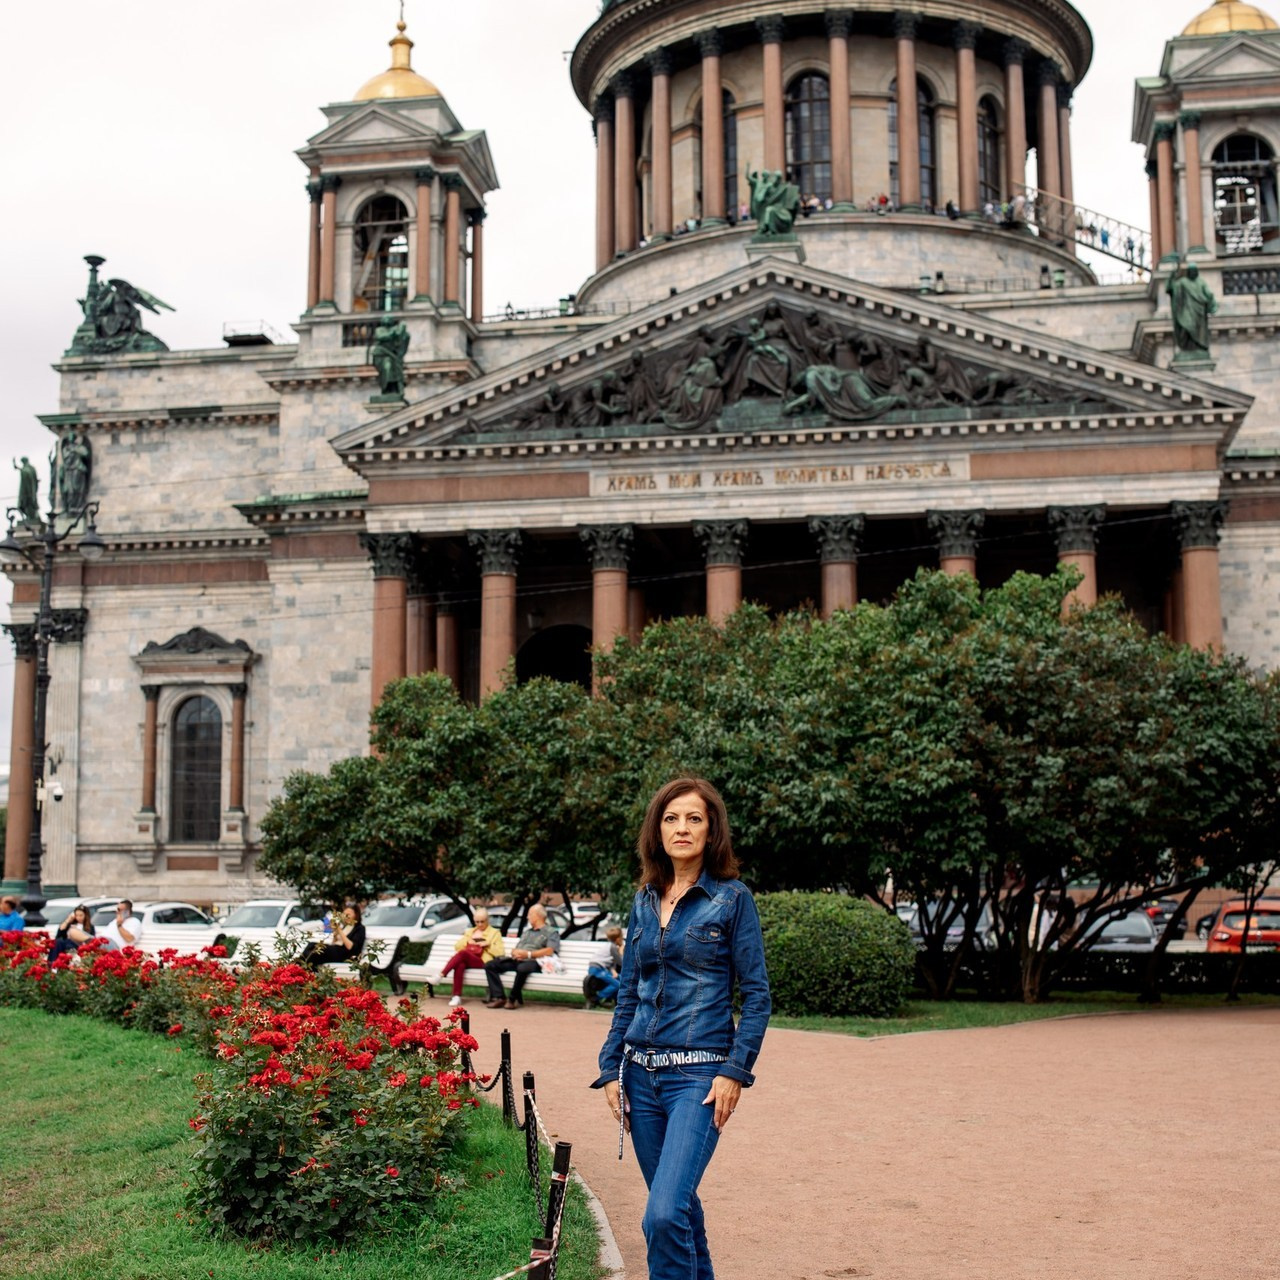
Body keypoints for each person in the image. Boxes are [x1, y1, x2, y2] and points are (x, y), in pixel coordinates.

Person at [593, 777, 771, 1280]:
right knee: (681, 1211)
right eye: (671, 818)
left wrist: (735, 1071)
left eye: (694, 818)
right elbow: (629, 991)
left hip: (700, 1080)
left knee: (664, 1213)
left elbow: (756, 997)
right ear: (657, 830)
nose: (682, 828)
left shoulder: (732, 899)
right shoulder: (645, 900)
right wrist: (610, 1069)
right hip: (640, 1080)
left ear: (711, 830)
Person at [483, 903, 559, 1009]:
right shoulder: (527, 932)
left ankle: (512, 999)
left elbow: (550, 950)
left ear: (537, 916)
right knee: (490, 965)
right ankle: (499, 997)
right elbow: (517, 947)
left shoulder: (551, 932)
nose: (527, 917)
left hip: (535, 962)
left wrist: (528, 954)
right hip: (518, 960)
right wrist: (515, 953)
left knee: (522, 968)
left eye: (530, 914)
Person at [435, 908, 504, 1007]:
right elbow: (457, 947)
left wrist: (487, 945)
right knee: (460, 964)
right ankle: (456, 997)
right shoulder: (470, 932)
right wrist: (468, 942)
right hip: (469, 959)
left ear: (487, 920)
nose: (479, 924)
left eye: (482, 922)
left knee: (463, 954)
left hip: (484, 961)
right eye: (477, 922)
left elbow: (500, 952)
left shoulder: (495, 933)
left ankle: (441, 975)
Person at [299, 904, 365, 970]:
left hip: (344, 954)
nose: (346, 916)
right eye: (344, 914)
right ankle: (297, 965)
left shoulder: (359, 928)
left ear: (356, 915)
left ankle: (303, 970)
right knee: (312, 945)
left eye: (348, 914)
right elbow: (334, 943)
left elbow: (350, 947)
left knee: (316, 954)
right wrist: (335, 932)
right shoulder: (345, 926)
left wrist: (339, 930)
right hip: (335, 949)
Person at [584, 924, 624, 1009]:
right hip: (597, 969)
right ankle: (595, 999)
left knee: (619, 979)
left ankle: (614, 1002)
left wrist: (613, 971)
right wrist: (621, 952)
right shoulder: (613, 947)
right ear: (617, 939)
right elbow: (621, 962)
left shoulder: (609, 946)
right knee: (618, 985)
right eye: (622, 938)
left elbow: (609, 962)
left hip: (598, 968)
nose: (622, 940)